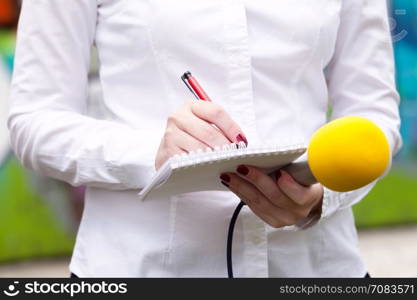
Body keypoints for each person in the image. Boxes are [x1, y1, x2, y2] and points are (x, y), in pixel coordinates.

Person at [8, 0, 401, 277]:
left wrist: (323, 197)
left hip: (318, 267)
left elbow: (375, 115)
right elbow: (35, 121)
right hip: (143, 268)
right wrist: (154, 154)